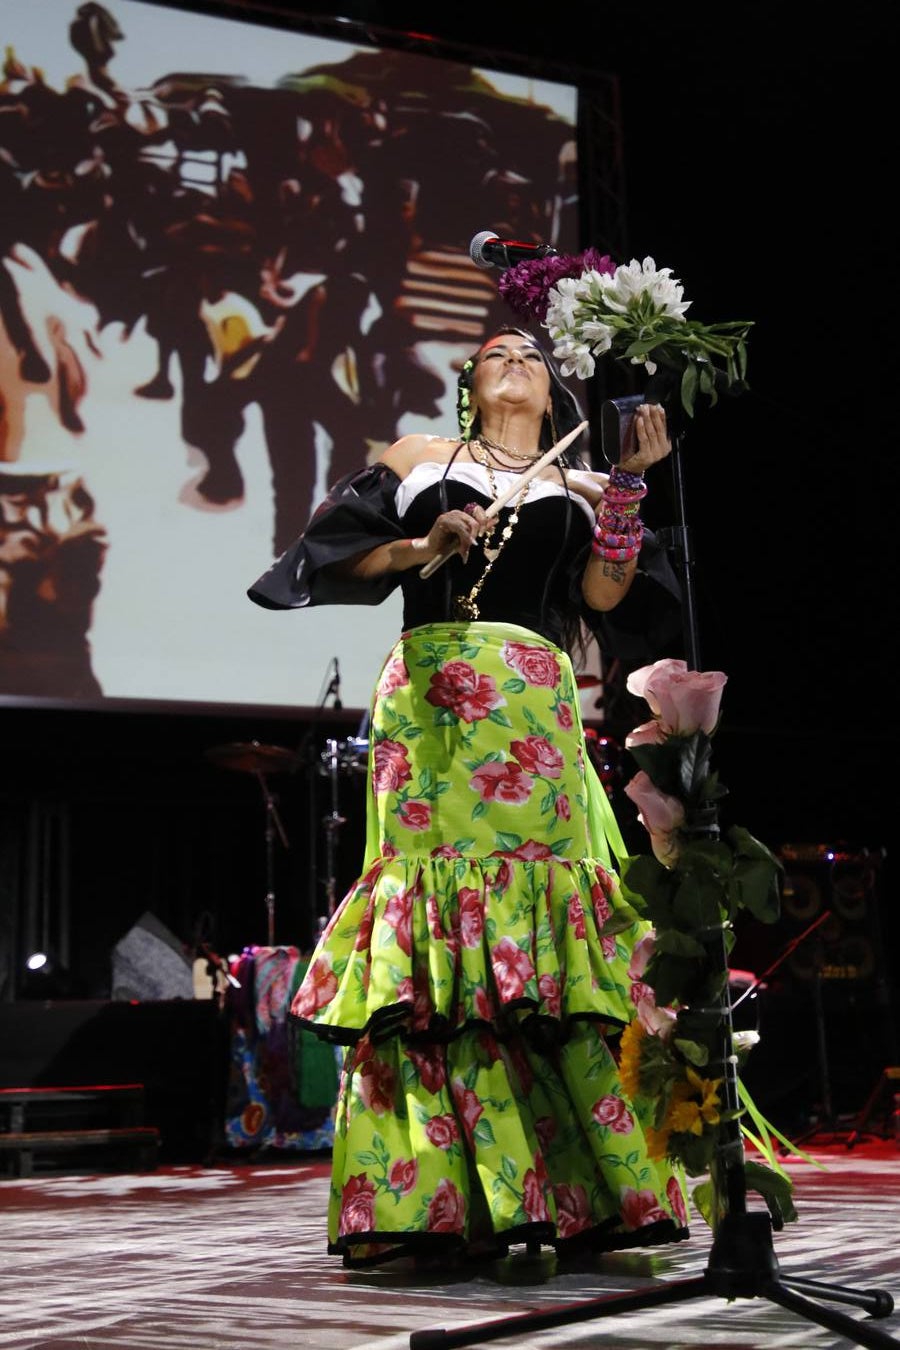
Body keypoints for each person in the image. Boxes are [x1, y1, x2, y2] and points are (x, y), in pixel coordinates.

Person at [247, 325, 686, 1270]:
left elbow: (605, 597)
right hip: (435, 706)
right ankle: (438, 1200)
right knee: (437, 954)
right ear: (470, 384)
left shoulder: (581, 479)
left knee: (541, 955)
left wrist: (631, 487)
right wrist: (420, 546)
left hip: (533, 707)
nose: (515, 360)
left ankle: (575, 1195)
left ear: (553, 388)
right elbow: (330, 565)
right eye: (495, 353)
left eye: (531, 352)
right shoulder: (417, 458)